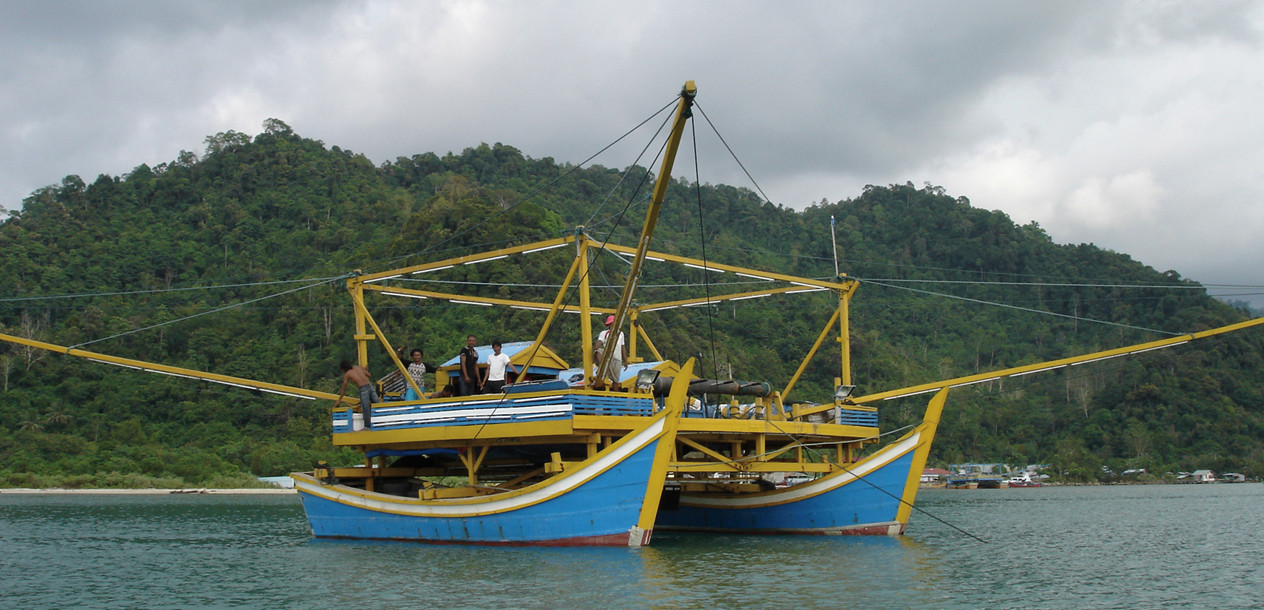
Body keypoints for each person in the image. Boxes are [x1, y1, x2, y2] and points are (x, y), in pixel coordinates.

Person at [334, 360, 377, 429]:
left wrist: (339, 400)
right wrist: (364, 370)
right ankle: (381, 421)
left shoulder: (347, 374)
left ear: (343, 369)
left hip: (363, 389)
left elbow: (344, 388)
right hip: (369, 386)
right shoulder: (358, 367)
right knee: (377, 404)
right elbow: (369, 375)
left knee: (365, 408)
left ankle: (367, 426)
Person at [596, 315, 628, 390]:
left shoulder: (621, 334)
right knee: (598, 351)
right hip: (607, 356)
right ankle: (602, 367)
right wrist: (596, 348)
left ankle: (616, 396)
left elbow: (622, 347)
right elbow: (599, 343)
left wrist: (625, 360)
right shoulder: (604, 333)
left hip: (617, 359)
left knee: (615, 380)